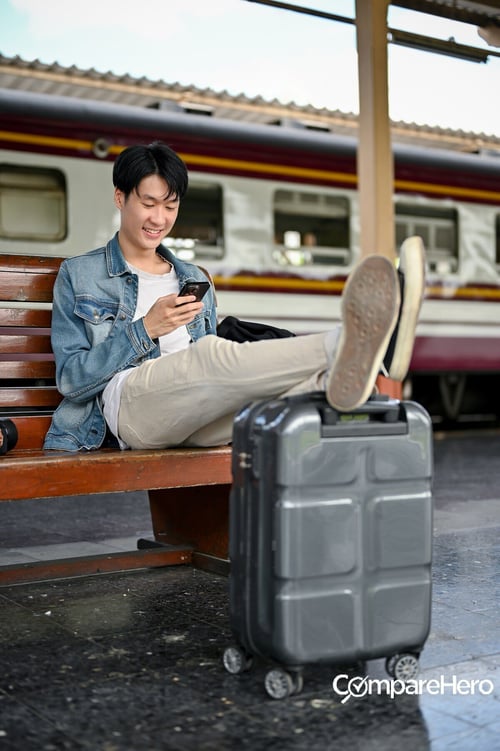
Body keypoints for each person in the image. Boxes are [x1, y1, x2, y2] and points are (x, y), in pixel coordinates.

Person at [43, 142, 425, 452]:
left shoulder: (192, 278)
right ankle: (357, 345)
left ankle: (340, 372)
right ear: (120, 198)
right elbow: (71, 380)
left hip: (195, 417)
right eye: (148, 203)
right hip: (130, 413)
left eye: (170, 206)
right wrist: (145, 329)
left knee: (280, 400)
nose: (159, 218)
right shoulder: (80, 275)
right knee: (209, 356)